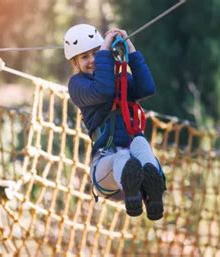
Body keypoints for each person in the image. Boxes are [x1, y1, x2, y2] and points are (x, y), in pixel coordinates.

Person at [63, 24, 166, 220]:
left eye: (96, 53)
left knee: (141, 143)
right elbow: (103, 90)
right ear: (74, 63)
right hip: (106, 161)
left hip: (135, 152)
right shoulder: (77, 85)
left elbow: (146, 88)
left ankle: (153, 193)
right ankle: (132, 191)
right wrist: (104, 52)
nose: (93, 60)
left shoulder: (119, 78)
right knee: (122, 157)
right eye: (85, 57)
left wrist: (131, 49)